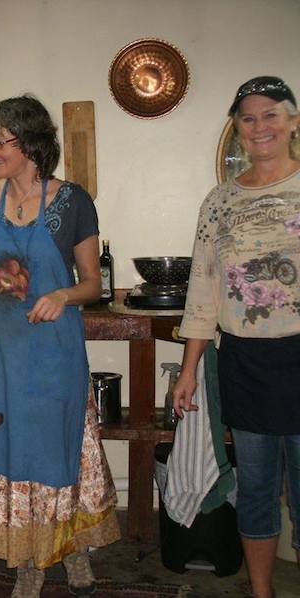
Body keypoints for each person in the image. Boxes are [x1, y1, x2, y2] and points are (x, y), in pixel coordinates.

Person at [0, 95, 120, 597]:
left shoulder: (73, 202)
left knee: (58, 449)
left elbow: (93, 284)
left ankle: (72, 552)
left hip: (52, 354)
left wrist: (62, 294)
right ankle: (29, 560)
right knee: (7, 451)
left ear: (28, 144)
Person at [173, 76, 300, 598]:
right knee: (256, 490)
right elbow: (202, 289)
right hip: (244, 362)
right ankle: (262, 592)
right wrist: (187, 371)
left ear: (292, 121)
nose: (260, 126)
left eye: (271, 114)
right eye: (248, 118)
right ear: (238, 130)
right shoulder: (219, 203)